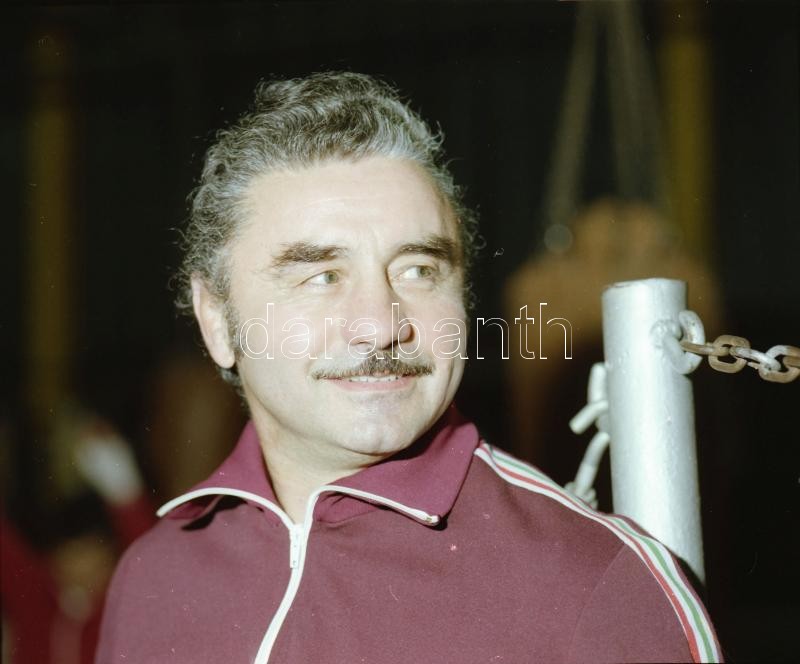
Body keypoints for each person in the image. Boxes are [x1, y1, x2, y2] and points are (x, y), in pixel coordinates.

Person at [96, 72, 722, 663]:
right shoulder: (153, 580)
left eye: (419, 270)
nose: (381, 324)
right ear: (216, 320)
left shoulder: (598, 583)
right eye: (321, 276)